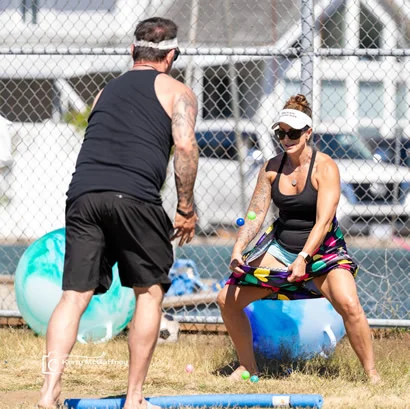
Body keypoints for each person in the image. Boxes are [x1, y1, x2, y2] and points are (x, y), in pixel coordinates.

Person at [38, 17, 199, 409]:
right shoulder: (179, 92)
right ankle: (134, 398)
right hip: (136, 197)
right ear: (172, 56)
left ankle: (48, 391)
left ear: (132, 51)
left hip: (83, 195)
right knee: (149, 292)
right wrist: (185, 207)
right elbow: (185, 146)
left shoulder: (104, 92)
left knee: (73, 297)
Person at [217, 94, 380, 383]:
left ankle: (372, 374)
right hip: (281, 249)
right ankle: (248, 367)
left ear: (308, 133)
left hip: (323, 253)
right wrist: (238, 248)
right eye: (280, 133)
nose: (286, 139)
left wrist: (304, 257)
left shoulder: (325, 167)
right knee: (226, 300)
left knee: (349, 305)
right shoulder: (271, 167)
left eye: (292, 133)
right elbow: (255, 214)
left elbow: (324, 221)